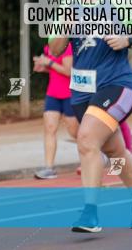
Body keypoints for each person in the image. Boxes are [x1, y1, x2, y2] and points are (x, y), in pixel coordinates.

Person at [48, 0, 132, 233]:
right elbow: (56, 48)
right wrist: (65, 28)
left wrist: (128, 38)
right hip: (83, 91)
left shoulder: (117, 0)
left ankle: (90, 213)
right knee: (115, 150)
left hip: (117, 84)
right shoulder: (68, 5)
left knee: (86, 139)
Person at [32, 42, 79, 179]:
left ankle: (99, 151)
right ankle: (49, 168)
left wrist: (50, 63)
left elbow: (69, 71)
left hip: (69, 94)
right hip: (52, 94)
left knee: (75, 132)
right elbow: (53, 68)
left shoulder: (68, 47)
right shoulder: (48, 47)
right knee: (49, 129)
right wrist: (43, 67)